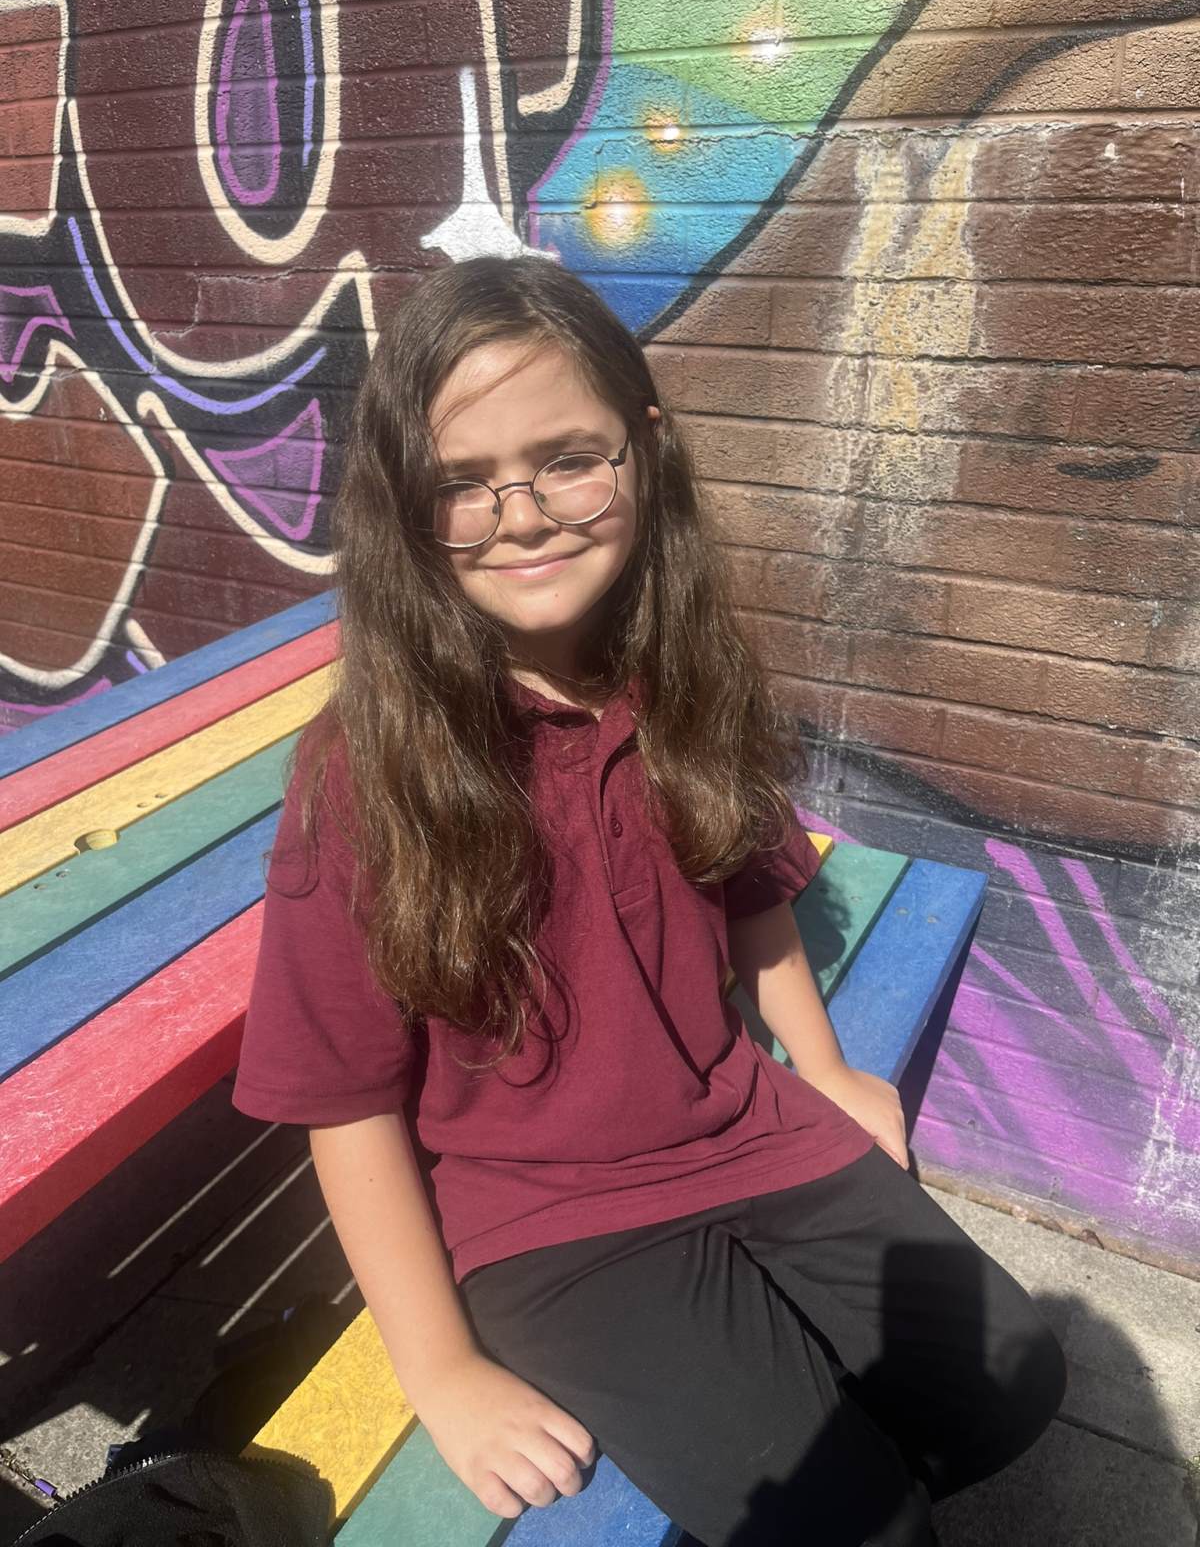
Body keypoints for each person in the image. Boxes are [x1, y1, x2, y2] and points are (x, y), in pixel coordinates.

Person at [230, 254, 1065, 1546]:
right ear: (403, 504)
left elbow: (753, 882)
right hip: (556, 1224)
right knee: (861, 1525)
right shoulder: (366, 775)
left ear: (646, 449)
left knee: (1015, 1384)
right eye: (461, 481)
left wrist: (824, 1068)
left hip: (744, 1128)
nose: (521, 515)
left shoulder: (680, 675)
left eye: (569, 459)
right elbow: (343, 1103)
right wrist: (441, 1370)